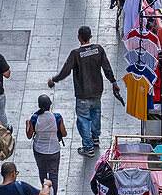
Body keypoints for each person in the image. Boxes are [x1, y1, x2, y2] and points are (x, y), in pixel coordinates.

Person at [49, 26, 120, 157]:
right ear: (91, 37)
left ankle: (88, 147)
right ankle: (95, 138)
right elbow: (107, 68)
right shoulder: (98, 49)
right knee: (96, 114)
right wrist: (113, 82)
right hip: (97, 91)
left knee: (83, 120)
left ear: (78, 37)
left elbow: (66, 71)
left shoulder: (76, 54)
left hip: (83, 94)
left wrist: (54, 80)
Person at [26, 94, 66, 195]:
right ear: (50, 104)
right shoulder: (57, 117)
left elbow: (29, 135)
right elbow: (64, 133)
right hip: (54, 150)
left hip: (39, 150)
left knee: (43, 174)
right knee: (54, 177)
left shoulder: (35, 118)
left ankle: (45, 194)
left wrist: (28, 124)